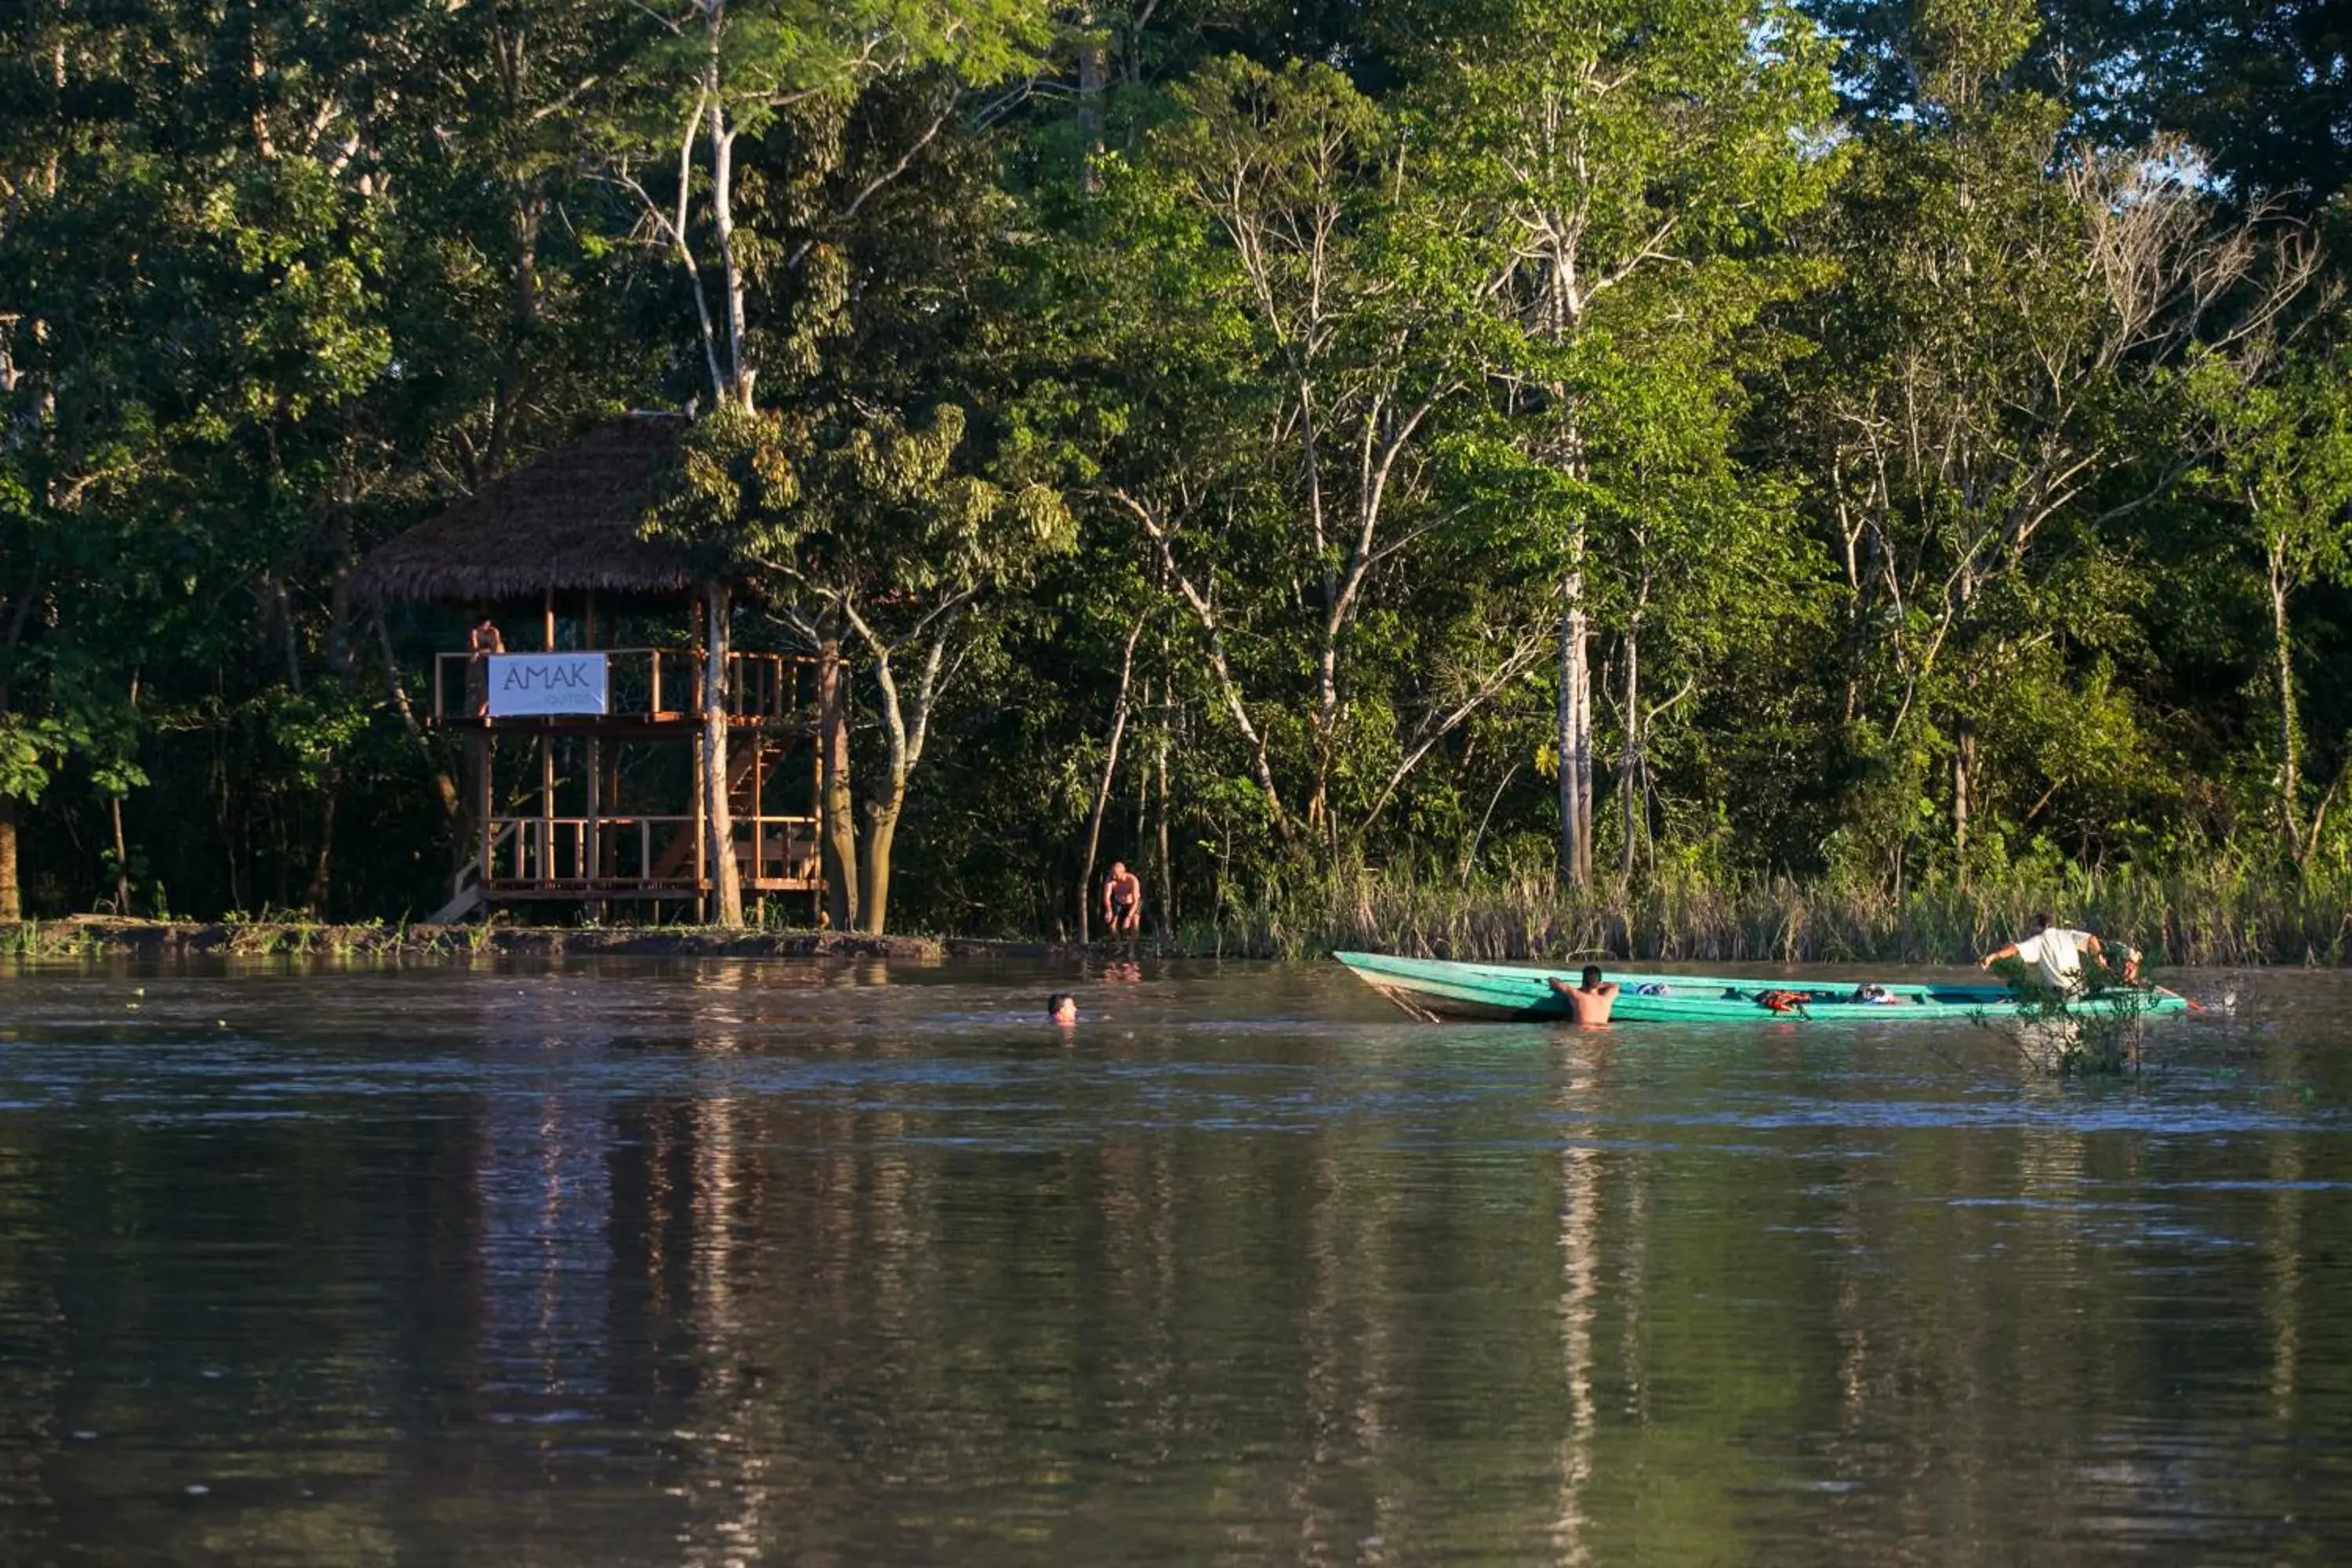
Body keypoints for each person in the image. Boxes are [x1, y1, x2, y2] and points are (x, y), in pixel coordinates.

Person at [1980, 913, 2108, 995]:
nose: (2030, 930)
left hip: (2059, 994)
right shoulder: (2069, 934)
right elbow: (2092, 939)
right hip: (2078, 991)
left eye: (2033, 926)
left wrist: (1993, 956)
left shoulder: (2039, 941)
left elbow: (2015, 949)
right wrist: (2099, 960)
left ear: (2041, 927)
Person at [1546, 964, 1618, 1025]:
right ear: (1599, 981)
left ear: (1583, 982)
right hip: (1602, 1034)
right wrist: (1598, 985)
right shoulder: (1608, 998)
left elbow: (1554, 982)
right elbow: (1615, 986)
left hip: (1582, 1032)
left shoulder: (1578, 995)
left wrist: (1551, 979)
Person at [467, 612, 505, 717]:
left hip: (494, 663)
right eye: (485, 624)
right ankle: (482, 711)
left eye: (489, 625)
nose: (487, 627)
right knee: (482, 689)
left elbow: (497, 650)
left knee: (493, 687)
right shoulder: (475, 633)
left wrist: (497, 636)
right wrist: (477, 647)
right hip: (480, 664)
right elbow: (474, 649)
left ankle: (486, 710)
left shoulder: (492, 633)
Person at [1101, 862, 1142, 938]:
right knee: (1112, 925)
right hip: (1118, 902)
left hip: (1133, 903)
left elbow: (1136, 901)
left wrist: (1129, 917)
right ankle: (1119, 945)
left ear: (1123, 873)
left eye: (1116, 874)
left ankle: (1132, 948)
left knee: (1135, 924)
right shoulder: (1110, 880)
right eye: (1112, 873)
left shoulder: (1133, 880)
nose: (1114, 876)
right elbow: (1106, 897)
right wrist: (1108, 910)